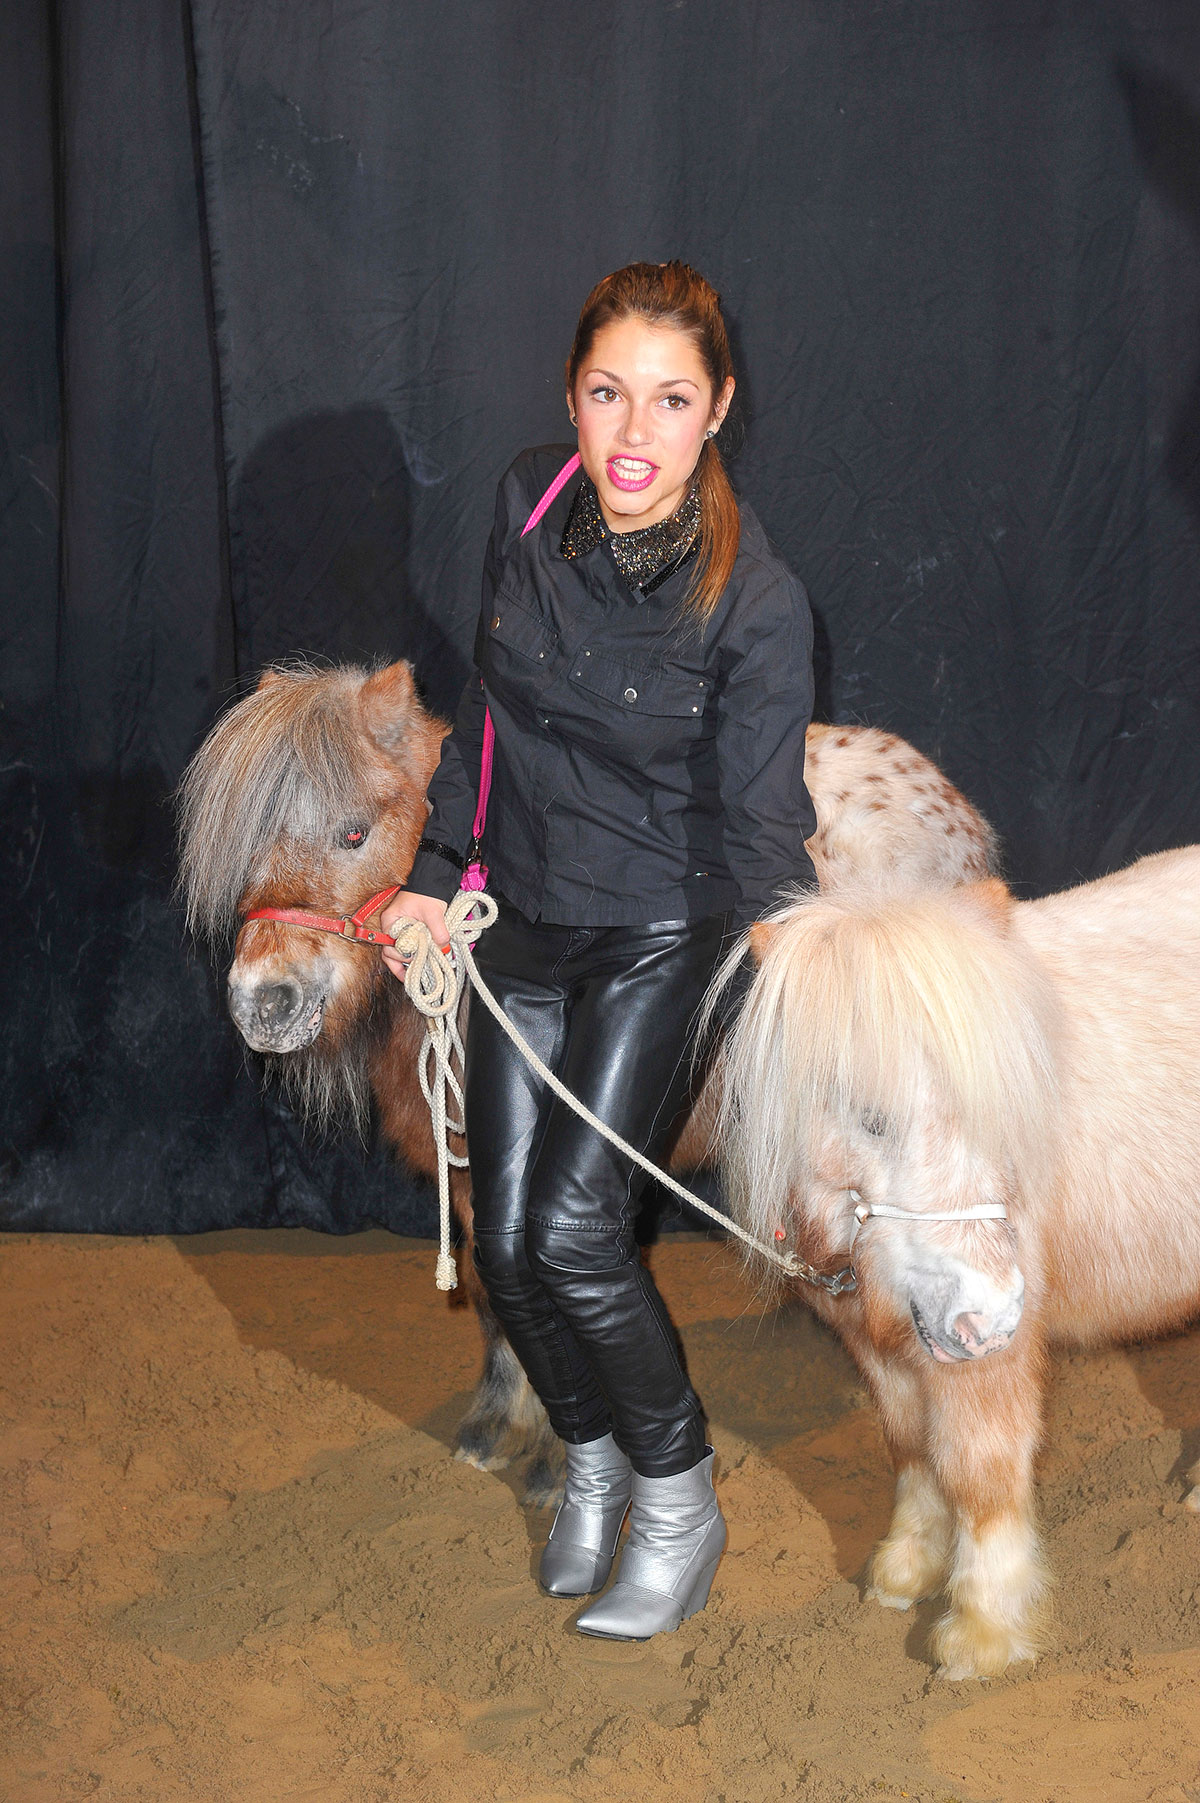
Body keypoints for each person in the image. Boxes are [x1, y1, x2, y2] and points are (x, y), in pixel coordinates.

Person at [380, 261, 817, 1640]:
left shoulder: (760, 605)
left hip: (656, 930)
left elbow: (758, 844)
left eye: (671, 400)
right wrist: (437, 878)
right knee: (506, 1244)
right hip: (528, 915)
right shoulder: (528, 498)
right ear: (570, 396)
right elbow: (486, 712)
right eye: (608, 393)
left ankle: (678, 1502)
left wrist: (799, 997)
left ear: (719, 410)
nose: (634, 435)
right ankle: (594, 1461)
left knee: (575, 1233)